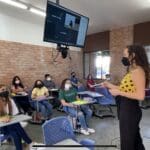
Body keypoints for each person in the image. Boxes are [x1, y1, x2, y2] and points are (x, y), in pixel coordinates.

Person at [102, 45, 149, 150]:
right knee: (135, 140)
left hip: (130, 110)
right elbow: (124, 88)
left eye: (125, 55)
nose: (123, 58)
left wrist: (119, 92)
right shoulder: (132, 71)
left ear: (133, 55)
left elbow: (141, 95)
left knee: (127, 142)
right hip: (126, 108)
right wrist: (110, 85)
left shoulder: (138, 72)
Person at [0, 84, 32, 150]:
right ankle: (29, 142)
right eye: (2, 90)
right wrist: (2, 119)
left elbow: (14, 113)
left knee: (15, 133)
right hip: (2, 127)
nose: (5, 91)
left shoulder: (10, 100)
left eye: (6, 89)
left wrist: (9, 117)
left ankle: (21, 148)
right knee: (16, 126)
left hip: (10, 123)